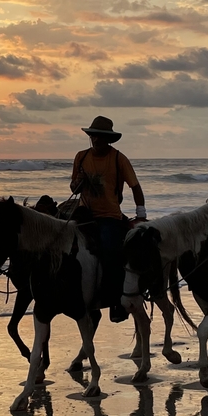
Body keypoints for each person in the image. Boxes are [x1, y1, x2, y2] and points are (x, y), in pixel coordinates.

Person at [70, 116, 146, 322]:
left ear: (108, 140)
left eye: (101, 137)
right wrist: (79, 182)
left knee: (111, 253)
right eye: (93, 136)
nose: (96, 140)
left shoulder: (118, 159)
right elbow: (73, 188)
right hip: (84, 213)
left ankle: (115, 301)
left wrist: (141, 215)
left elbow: (135, 187)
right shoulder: (81, 157)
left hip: (109, 216)